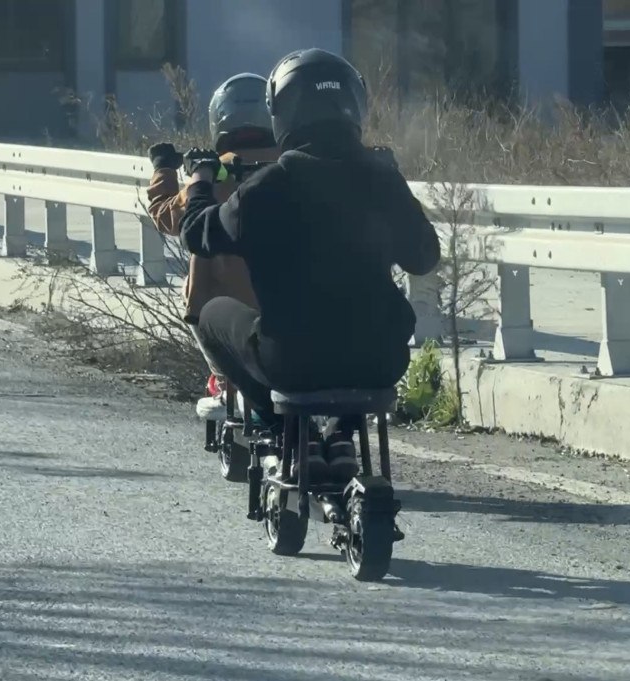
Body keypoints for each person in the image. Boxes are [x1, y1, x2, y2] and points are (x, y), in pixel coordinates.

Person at [177, 48, 440, 482]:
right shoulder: (382, 180)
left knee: (211, 316)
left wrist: (201, 182)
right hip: (382, 360)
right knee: (349, 346)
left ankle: (284, 428)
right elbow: (423, 257)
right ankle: (341, 434)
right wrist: (394, 189)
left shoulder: (266, 189)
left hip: (292, 362)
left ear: (282, 113)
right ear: (355, 107)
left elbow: (197, 234)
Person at [146, 73, 280, 422]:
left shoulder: (213, 173)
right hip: (290, 305)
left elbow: (166, 217)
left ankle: (223, 384)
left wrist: (165, 168)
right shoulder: (292, 166)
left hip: (225, 307)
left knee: (195, 297)